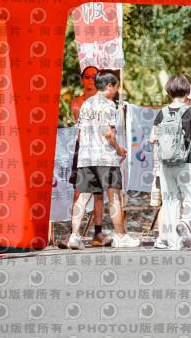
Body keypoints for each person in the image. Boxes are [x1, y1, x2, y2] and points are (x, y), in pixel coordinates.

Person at [67, 70, 139, 249]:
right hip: (105, 158)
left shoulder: (86, 104)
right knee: (114, 197)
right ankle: (120, 236)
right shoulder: (108, 105)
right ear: (109, 86)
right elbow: (107, 132)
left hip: (86, 157)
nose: (117, 90)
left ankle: (74, 236)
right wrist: (119, 150)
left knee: (83, 197)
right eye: (116, 87)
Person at [150, 76, 191, 250]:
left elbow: (152, 138)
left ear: (169, 92)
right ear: (187, 92)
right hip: (187, 161)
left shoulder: (162, 112)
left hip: (165, 163)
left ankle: (174, 243)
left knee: (170, 201)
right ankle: (185, 222)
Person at [59, 66, 110, 248]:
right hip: (83, 148)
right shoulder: (76, 102)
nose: (90, 79)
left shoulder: (106, 101)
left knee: (99, 193)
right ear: (82, 80)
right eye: (86, 76)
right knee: (78, 192)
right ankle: (75, 233)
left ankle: (98, 233)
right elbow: (85, 120)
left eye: (94, 76)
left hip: (101, 148)